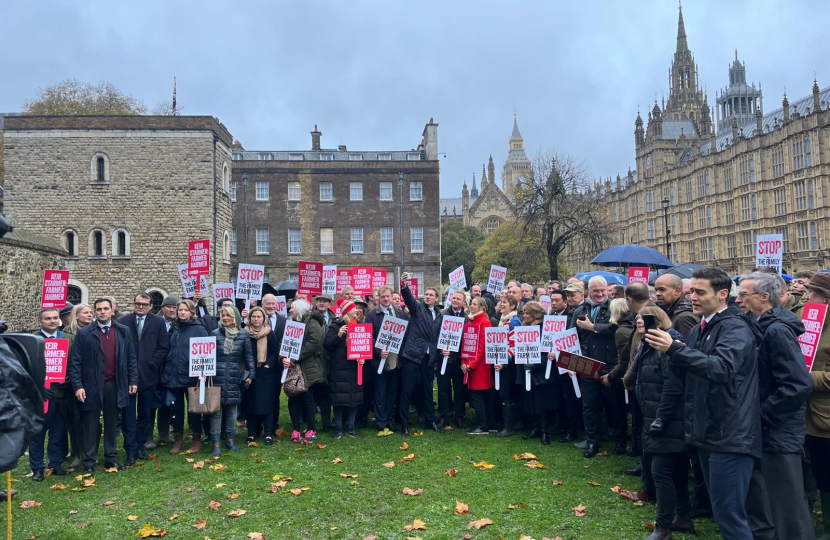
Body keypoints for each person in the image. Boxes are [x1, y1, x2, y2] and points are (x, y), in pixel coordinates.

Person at [646, 267, 760, 540]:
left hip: (729, 434)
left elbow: (722, 368)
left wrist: (674, 348)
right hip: (707, 432)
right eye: (690, 291)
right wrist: (667, 353)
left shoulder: (734, 327)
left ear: (722, 295)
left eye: (699, 292)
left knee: (730, 514)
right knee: (723, 512)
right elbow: (690, 372)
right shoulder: (700, 327)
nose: (692, 297)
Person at [736, 273, 814, 540]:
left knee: (787, 503)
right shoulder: (760, 325)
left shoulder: (777, 330)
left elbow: (797, 385)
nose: (738, 300)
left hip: (778, 430)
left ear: (764, 297)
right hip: (767, 428)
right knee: (769, 501)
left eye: (743, 295)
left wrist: (762, 414)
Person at [630, 306, 693, 540]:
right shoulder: (647, 346)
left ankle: (663, 528)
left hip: (667, 420)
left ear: (658, 322)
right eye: (637, 317)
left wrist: (660, 418)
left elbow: (673, 387)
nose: (639, 321)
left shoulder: (665, 348)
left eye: (645, 318)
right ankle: (684, 518)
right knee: (675, 470)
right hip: (657, 417)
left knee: (661, 472)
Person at [69, 298, 137, 475]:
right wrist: (78, 386)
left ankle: (111, 459)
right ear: (95, 312)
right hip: (91, 385)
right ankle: (89, 462)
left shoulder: (123, 331)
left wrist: (133, 381)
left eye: (106, 308)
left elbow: (130, 358)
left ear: (112, 310)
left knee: (112, 423)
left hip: (114, 384)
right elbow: (75, 362)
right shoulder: (85, 333)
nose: (102, 312)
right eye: (99, 309)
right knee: (91, 425)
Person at [572, 276, 627, 457]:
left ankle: (620, 441)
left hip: (610, 364)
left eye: (603, 290)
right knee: (589, 405)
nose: (600, 294)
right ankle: (591, 442)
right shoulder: (580, 309)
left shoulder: (614, 307)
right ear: (588, 291)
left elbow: (616, 328)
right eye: (596, 291)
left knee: (615, 405)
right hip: (587, 364)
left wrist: (593, 327)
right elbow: (572, 336)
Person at [118, 293, 170, 461]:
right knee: (128, 415)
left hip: (149, 375)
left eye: (144, 304)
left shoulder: (158, 322)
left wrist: (152, 363)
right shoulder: (122, 322)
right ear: (133, 304)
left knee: (146, 414)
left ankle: (140, 445)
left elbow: (163, 346)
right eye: (138, 303)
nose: (140, 306)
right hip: (127, 376)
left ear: (150, 306)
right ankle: (130, 447)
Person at [800, 273, 830, 540]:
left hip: (826, 417)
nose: (807, 298)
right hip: (809, 413)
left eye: (812, 293)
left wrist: (803, 378)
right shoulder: (812, 322)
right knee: (818, 472)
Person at [161, 300, 208, 454]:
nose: (182, 312)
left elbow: (205, 352)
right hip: (173, 375)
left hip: (192, 375)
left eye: (185, 310)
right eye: (180, 309)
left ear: (191, 312)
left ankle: (196, 439)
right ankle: (178, 439)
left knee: (193, 409)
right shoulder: (173, 328)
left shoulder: (199, 329)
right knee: (177, 409)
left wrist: (203, 372)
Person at [29, 309, 71, 480]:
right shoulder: (33, 341)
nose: (52, 321)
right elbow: (26, 368)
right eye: (48, 318)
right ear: (40, 321)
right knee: (38, 434)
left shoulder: (68, 339)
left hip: (61, 394)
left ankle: (55, 464)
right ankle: (37, 468)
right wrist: (37, 387)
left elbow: (75, 363)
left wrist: (68, 380)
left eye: (55, 318)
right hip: (40, 397)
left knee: (58, 432)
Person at [399, 274, 441, 435]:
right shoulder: (417, 308)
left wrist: (436, 355)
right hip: (412, 354)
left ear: (436, 298)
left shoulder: (439, 315)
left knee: (428, 390)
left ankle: (430, 421)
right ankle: (404, 424)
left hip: (428, 358)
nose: (427, 297)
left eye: (431, 295)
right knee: (407, 390)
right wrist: (404, 285)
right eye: (426, 295)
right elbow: (408, 298)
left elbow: (437, 336)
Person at [210, 305, 254, 457]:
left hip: (234, 378)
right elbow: (207, 355)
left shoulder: (242, 335)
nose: (226, 318)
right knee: (216, 412)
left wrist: (251, 374)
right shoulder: (214, 334)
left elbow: (248, 357)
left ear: (235, 317)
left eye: (229, 315)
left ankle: (230, 440)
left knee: (231, 412)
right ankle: (216, 443)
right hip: (216, 377)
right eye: (223, 315)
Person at [281, 299, 326, 444]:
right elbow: (284, 343)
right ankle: (296, 429)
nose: (289, 311)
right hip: (293, 368)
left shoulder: (312, 323)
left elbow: (314, 343)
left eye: (292, 309)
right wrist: (283, 358)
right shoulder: (292, 324)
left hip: (308, 368)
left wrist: (294, 358)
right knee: (293, 397)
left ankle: (311, 428)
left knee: (308, 398)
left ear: (299, 310)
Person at [365, 286, 406, 434]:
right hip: (380, 361)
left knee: (391, 393)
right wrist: (378, 350)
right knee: (380, 393)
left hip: (395, 361)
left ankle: (390, 420)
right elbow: (369, 336)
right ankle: (381, 422)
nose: (386, 299)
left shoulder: (398, 313)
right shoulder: (371, 314)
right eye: (383, 297)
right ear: (378, 298)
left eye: (388, 296)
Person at [324, 298, 365, 439]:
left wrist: (363, 357)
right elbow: (327, 345)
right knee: (339, 400)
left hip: (354, 369)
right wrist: (338, 335)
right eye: (354, 309)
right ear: (347, 311)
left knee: (353, 399)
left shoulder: (360, 326)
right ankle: (338, 427)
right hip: (339, 370)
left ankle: (351, 427)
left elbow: (365, 345)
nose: (357, 310)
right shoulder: (336, 326)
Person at [519, 301, 558, 445]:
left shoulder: (543, 329)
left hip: (542, 372)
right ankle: (534, 428)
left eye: (528, 313)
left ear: (535, 314)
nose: (525, 315)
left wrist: (535, 364)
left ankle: (544, 432)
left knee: (543, 405)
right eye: (524, 312)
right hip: (528, 370)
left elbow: (547, 351)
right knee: (531, 402)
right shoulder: (524, 328)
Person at [242, 307, 279, 445]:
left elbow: (275, 352)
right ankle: (252, 432)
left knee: (267, 403)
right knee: (250, 403)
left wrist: (268, 364)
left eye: (259, 317)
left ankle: (268, 433)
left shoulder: (270, 333)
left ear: (264, 318)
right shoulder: (244, 333)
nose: (256, 319)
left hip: (265, 373)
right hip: (249, 373)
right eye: (254, 317)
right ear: (249, 318)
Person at [62, 303, 93, 467]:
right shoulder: (67, 333)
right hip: (73, 380)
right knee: (76, 418)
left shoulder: (96, 330)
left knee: (92, 418)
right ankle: (79, 452)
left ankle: (90, 451)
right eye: (85, 313)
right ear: (76, 315)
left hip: (92, 380)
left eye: (90, 312)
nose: (89, 315)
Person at [463, 297, 495, 435]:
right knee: (482, 397)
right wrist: (463, 362)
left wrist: (471, 365)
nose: (471, 306)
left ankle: (483, 426)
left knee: (478, 396)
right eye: (471, 304)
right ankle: (489, 424)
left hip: (480, 367)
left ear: (482, 308)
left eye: (474, 304)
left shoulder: (485, 322)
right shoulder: (471, 321)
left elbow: (482, 347)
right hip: (472, 364)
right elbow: (467, 345)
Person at [438, 291, 467, 429]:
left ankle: (459, 416)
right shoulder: (442, 314)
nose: (455, 300)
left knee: (459, 389)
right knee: (443, 389)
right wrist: (441, 349)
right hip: (443, 358)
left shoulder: (467, 317)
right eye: (453, 298)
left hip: (458, 360)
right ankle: (444, 417)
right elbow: (435, 334)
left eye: (458, 299)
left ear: (463, 302)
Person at [494, 294, 522, 437]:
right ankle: (512, 424)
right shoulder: (504, 320)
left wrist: (504, 362)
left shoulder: (513, 322)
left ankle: (509, 427)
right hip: (503, 362)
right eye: (500, 302)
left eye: (504, 303)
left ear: (512, 306)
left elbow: (514, 346)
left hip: (509, 365)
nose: (501, 305)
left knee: (505, 394)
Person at [260, 294, 287, 433]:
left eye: (273, 304)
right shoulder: (257, 319)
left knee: (275, 396)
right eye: (267, 303)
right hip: (261, 365)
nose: (270, 306)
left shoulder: (284, 321)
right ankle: (258, 425)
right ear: (262, 304)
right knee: (259, 395)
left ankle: (273, 424)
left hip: (278, 366)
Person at [654, 275, 699, 339]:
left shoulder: (684, 317)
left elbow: (690, 346)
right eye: (656, 290)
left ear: (677, 291)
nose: (657, 293)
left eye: (662, 289)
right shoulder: (671, 310)